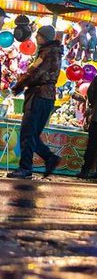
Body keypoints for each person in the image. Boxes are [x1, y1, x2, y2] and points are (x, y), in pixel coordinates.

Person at [9, 26, 63, 179]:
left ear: (43, 37)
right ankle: (49, 158)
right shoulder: (54, 52)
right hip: (46, 97)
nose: (36, 37)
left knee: (28, 133)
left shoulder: (47, 53)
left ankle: (25, 168)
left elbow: (35, 73)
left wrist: (18, 86)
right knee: (32, 134)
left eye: (38, 35)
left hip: (38, 96)